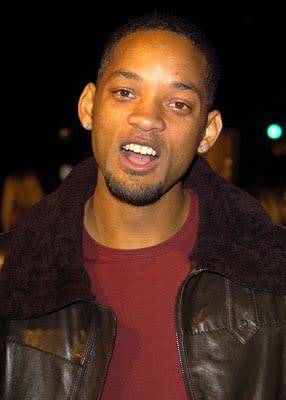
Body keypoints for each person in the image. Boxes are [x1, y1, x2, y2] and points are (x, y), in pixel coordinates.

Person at [0, 12, 285, 400]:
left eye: (179, 103)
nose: (147, 118)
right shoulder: (9, 273)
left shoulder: (274, 284)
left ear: (208, 132)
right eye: (124, 92)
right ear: (88, 107)